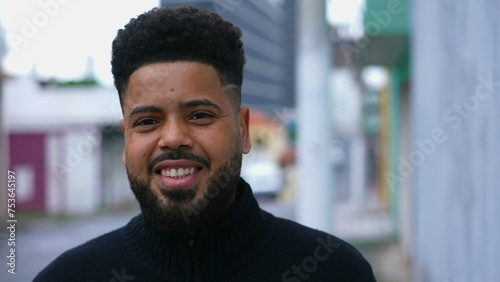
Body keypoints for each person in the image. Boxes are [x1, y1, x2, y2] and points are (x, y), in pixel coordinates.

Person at [34, 5, 376, 282]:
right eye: (147, 122)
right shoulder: (68, 276)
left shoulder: (335, 270)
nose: (172, 138)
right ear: (126, 139)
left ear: (243, 131)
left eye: (199, 115)